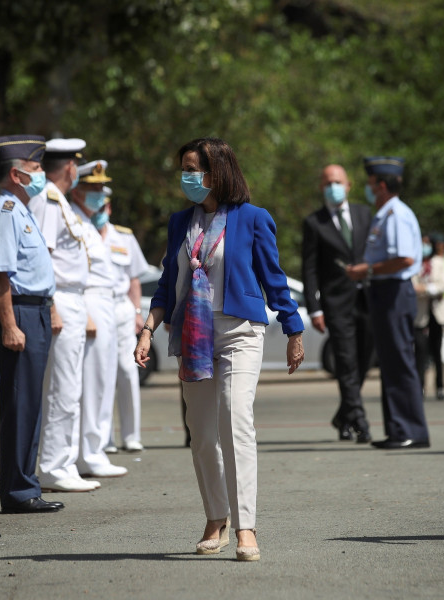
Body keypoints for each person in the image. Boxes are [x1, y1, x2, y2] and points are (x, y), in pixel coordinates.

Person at [134, 137, 305, 562]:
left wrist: (293, 328)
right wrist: (147, 329)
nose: (186, 177)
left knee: (235, 420)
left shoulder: (252, 218)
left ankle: (246, 526)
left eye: (193, 169)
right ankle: (217, 517)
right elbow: (166, 286)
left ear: (217, 173)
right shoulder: (180, 222)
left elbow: (274, 278)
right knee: (202, 433)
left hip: (240, 332)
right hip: (193, 336)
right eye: (184, 169)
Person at [0, 135, 64, 514]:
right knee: (19, 402)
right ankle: (18, 491)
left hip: (35, 310)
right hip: (18, 312)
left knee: (31, 403)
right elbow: (0, 276)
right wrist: (10, 325)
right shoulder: (4, 212)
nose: (42, 175)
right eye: (35, 169)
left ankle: (26, 486)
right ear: (16, 174)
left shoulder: (22, 209)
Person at [28, 138, 101, 492]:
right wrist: (53, 304)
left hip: (73, 299)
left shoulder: (59, 203)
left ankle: (64, 462)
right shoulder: (47, 201)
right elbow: (43, 255)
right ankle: (54, 466)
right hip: (60, 298)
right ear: (71, 168)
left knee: (70, 387)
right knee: (61, 388)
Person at [349, 156, 430, 449]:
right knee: (391, 362)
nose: (368, 189)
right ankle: (399, 428)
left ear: (381, 185)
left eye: (371, 184)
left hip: (394, 292)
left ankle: (410, 430)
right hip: (385, 293)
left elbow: (404, 259)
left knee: (399, 362)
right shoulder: (386, 212)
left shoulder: (395, 213)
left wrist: (367, 270)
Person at [301, 164, 374, 442]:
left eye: (338, 181)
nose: (333, 186)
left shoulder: (364, 214)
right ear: (321, 186)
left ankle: (343, 416)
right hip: (336, 303)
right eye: (328, 181)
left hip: (367, 299)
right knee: (345, 362)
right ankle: (360, 419)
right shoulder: (314, 222)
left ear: (349, 185)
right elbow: (310, 269)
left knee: (365, 360)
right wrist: (315, 307)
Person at [69, 160, 128, 478]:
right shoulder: (75, 221)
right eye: (92, 188)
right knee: (90, 382)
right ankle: (87, 451)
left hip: (105, 302)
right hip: (90, 300)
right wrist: (88, 314)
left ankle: (95, 447)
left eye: (100, 189)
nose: (99, 194)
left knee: (103, 379)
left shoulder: (89, 222)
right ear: (76, 190)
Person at [103, 191, 150, 453]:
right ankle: (104, 437)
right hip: (95, 306)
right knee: (99, 373)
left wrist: (136, 312)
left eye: (105, 203)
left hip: (121, 308)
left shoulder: (124, 236)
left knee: (127, 371)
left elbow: (134, 279)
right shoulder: (81, 231)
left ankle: (131, 435)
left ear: (110, 207)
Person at [413, 232, 444, 400]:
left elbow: (443, 284)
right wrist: (429, 289)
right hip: (420, 314)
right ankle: (420, 386)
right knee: (420, 351)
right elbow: (413, 287)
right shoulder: (415, 264)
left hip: (438, 313)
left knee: (437, 350)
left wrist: (427, 289)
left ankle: (440, 386)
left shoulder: (439, 262)